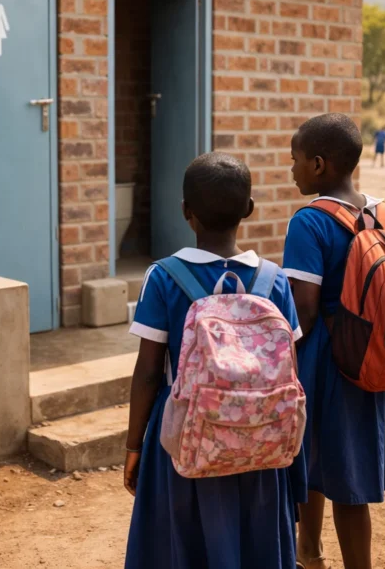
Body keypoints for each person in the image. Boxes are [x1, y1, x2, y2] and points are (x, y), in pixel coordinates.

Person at [124, 152, 302, 569]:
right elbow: (291, 364)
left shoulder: (164, 277)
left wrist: (135, 445)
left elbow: (149, 372)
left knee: (181, 545)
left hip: (188, 441)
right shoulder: (274, 280)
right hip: (261, 444)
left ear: (186, 212)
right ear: (249, 209)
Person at [286, 114, 385, 569]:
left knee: (319, 464)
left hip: (325, 362)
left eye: (295, 160)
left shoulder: (309, 222)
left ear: (318, 164)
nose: (291, 169)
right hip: (372, 357)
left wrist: (281, 361)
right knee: (344, 467)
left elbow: (306, 310)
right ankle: (316, 555)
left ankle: (309, 555)